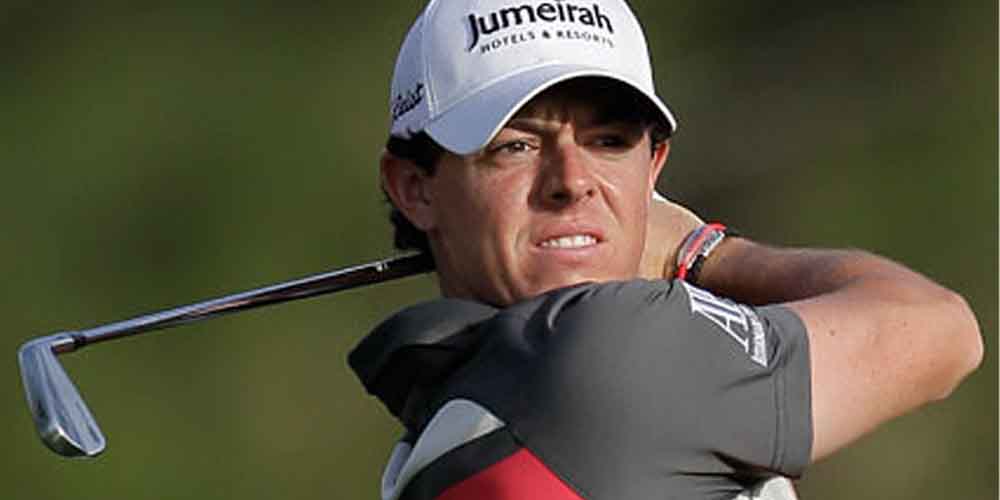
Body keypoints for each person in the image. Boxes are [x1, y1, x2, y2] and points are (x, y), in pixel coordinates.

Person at [348, 1, 984, 499]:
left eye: (609, 141)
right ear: (414, 187)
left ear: (652, 167)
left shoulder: (441, 416)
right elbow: (940, 329)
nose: (572, 181)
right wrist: (701, 249)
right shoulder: (613, 348)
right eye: (516, 145)